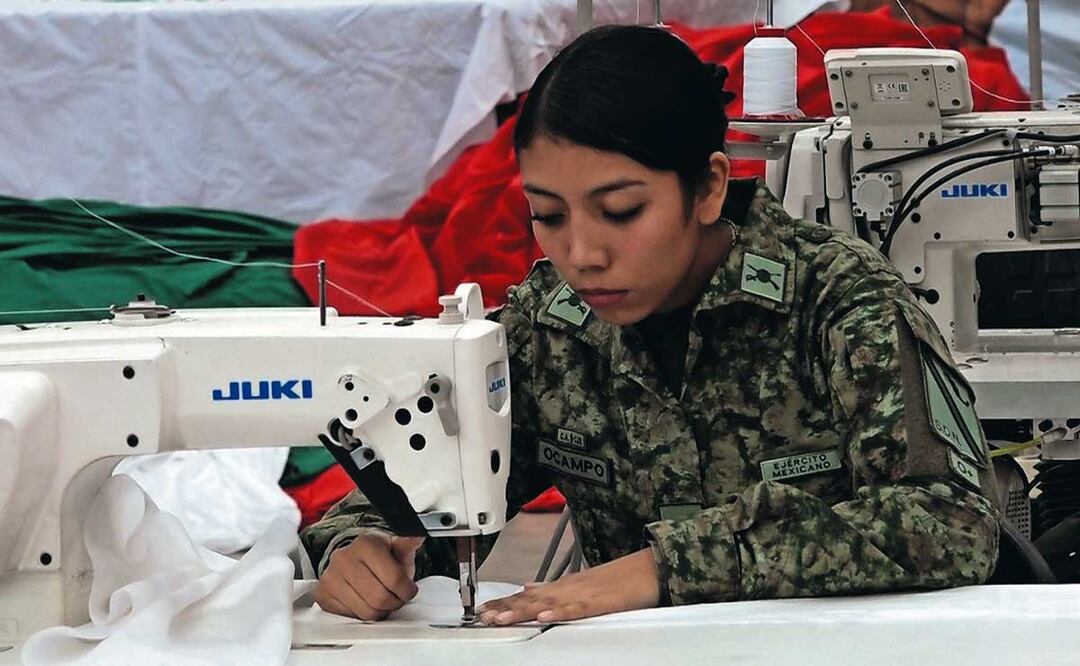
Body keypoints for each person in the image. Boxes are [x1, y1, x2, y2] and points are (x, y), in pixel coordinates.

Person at [300, 25, 1000, 626]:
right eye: (548, 215)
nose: (582, 254)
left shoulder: (838, 301)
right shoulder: (551, 333)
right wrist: (362, 548)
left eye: (622, 210)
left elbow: (953, 523)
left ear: (709, 187)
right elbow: (421, 490)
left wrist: (664, 569)